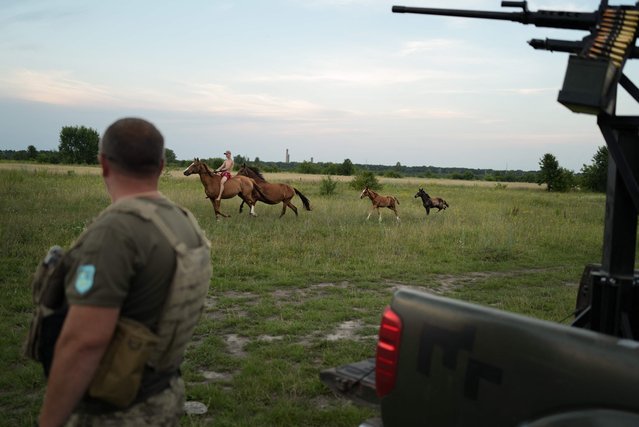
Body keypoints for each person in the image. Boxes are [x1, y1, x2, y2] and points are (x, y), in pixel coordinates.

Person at [37, 117, 212, 427]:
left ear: (104, 164)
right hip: (164, 394)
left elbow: (84, 342)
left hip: (116, 411)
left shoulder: (115, 232)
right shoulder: (183, 221)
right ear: (160, 166)